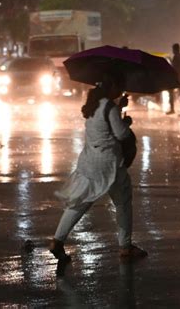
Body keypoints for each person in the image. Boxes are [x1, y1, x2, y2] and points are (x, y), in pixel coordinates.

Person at [49, 73, 148, 263]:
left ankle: (57, 241)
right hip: (110, 165)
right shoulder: (109, 107)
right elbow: (120, 134)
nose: (119, 90)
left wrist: (119, 108)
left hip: (90, 163)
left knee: (80, 204)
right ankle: (125, 246)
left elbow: (105, 126)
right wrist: (125, 122)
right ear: (110, 87)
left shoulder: (95, 105)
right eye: (117, 86)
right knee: (123, 203)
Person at [167, 43, 180, 116]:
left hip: (177, 77)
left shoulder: (176, 57)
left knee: (171, 92)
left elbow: (174, 68)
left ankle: (172, 109)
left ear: (175, 50)